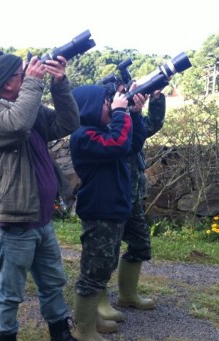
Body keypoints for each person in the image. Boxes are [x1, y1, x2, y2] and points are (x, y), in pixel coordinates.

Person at [0, 50, 99, 341]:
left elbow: (68, 122)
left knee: (53, 281)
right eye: (21, 73)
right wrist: (33, 83)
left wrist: (59, 84)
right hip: (13, 219)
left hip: (41, 217)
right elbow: (17, 124)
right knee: (11, 290)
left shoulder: (28, 106)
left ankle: (60, 336)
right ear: (5, 84)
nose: (30, 75)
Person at [69, 84, 147, 341]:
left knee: (104, 266)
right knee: (94, 270)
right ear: (89, 106)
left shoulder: (100, 132)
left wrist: (134, 114)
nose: (109, 106)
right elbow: (118, 144)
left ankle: (93, 318)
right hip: (99, 212)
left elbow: (132, 144)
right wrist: (120, 113)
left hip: (112, 209)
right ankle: (84, 331)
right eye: (105, 103)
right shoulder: (84, 136)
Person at [95, 76, 166, 322]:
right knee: (105, 252)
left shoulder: (126, 117)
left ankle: (127, 294)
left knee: (140, 245)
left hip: (133, 195)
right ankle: (99, 302)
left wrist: (154, 98)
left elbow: (148, 128)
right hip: (112, 196)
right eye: (121, 93)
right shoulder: (104, 122)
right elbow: (122, 143)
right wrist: (123, 112)